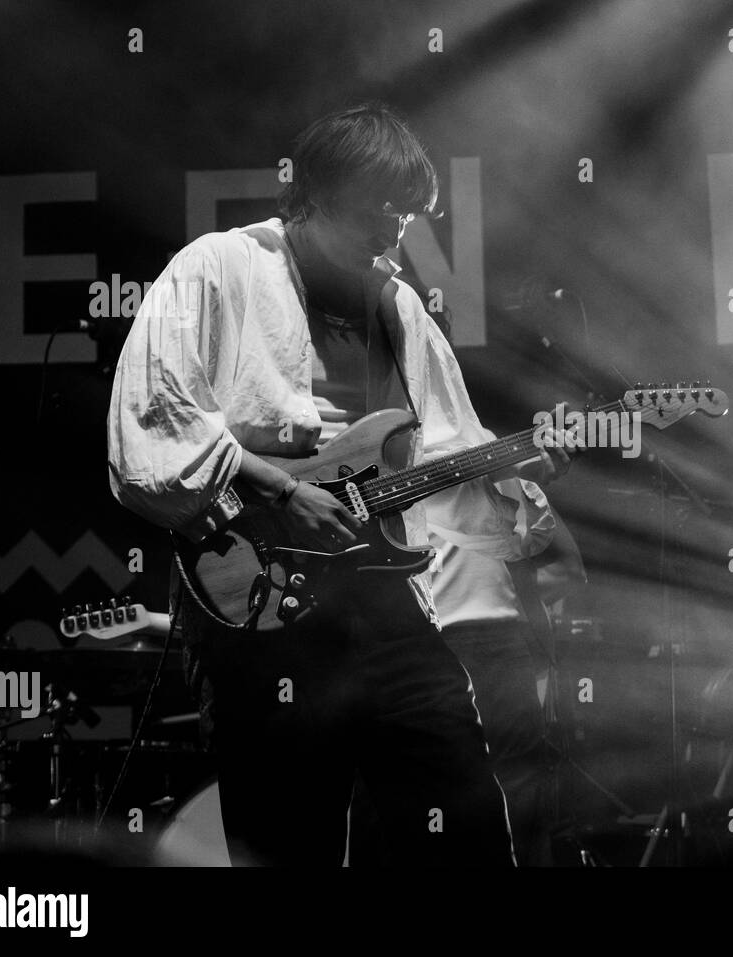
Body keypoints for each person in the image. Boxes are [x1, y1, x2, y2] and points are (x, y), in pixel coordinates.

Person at [107, 102, 571, 866]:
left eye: (408, 214)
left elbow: (452, 453)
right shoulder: (218, 267)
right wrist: (284, 491)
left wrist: (513, 475)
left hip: (383, 601)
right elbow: (151, 426)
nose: (395, 231)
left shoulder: (396, 306)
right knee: (290, 840)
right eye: (380, 209)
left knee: (466, 821)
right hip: (256, 597)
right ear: (318, 193)